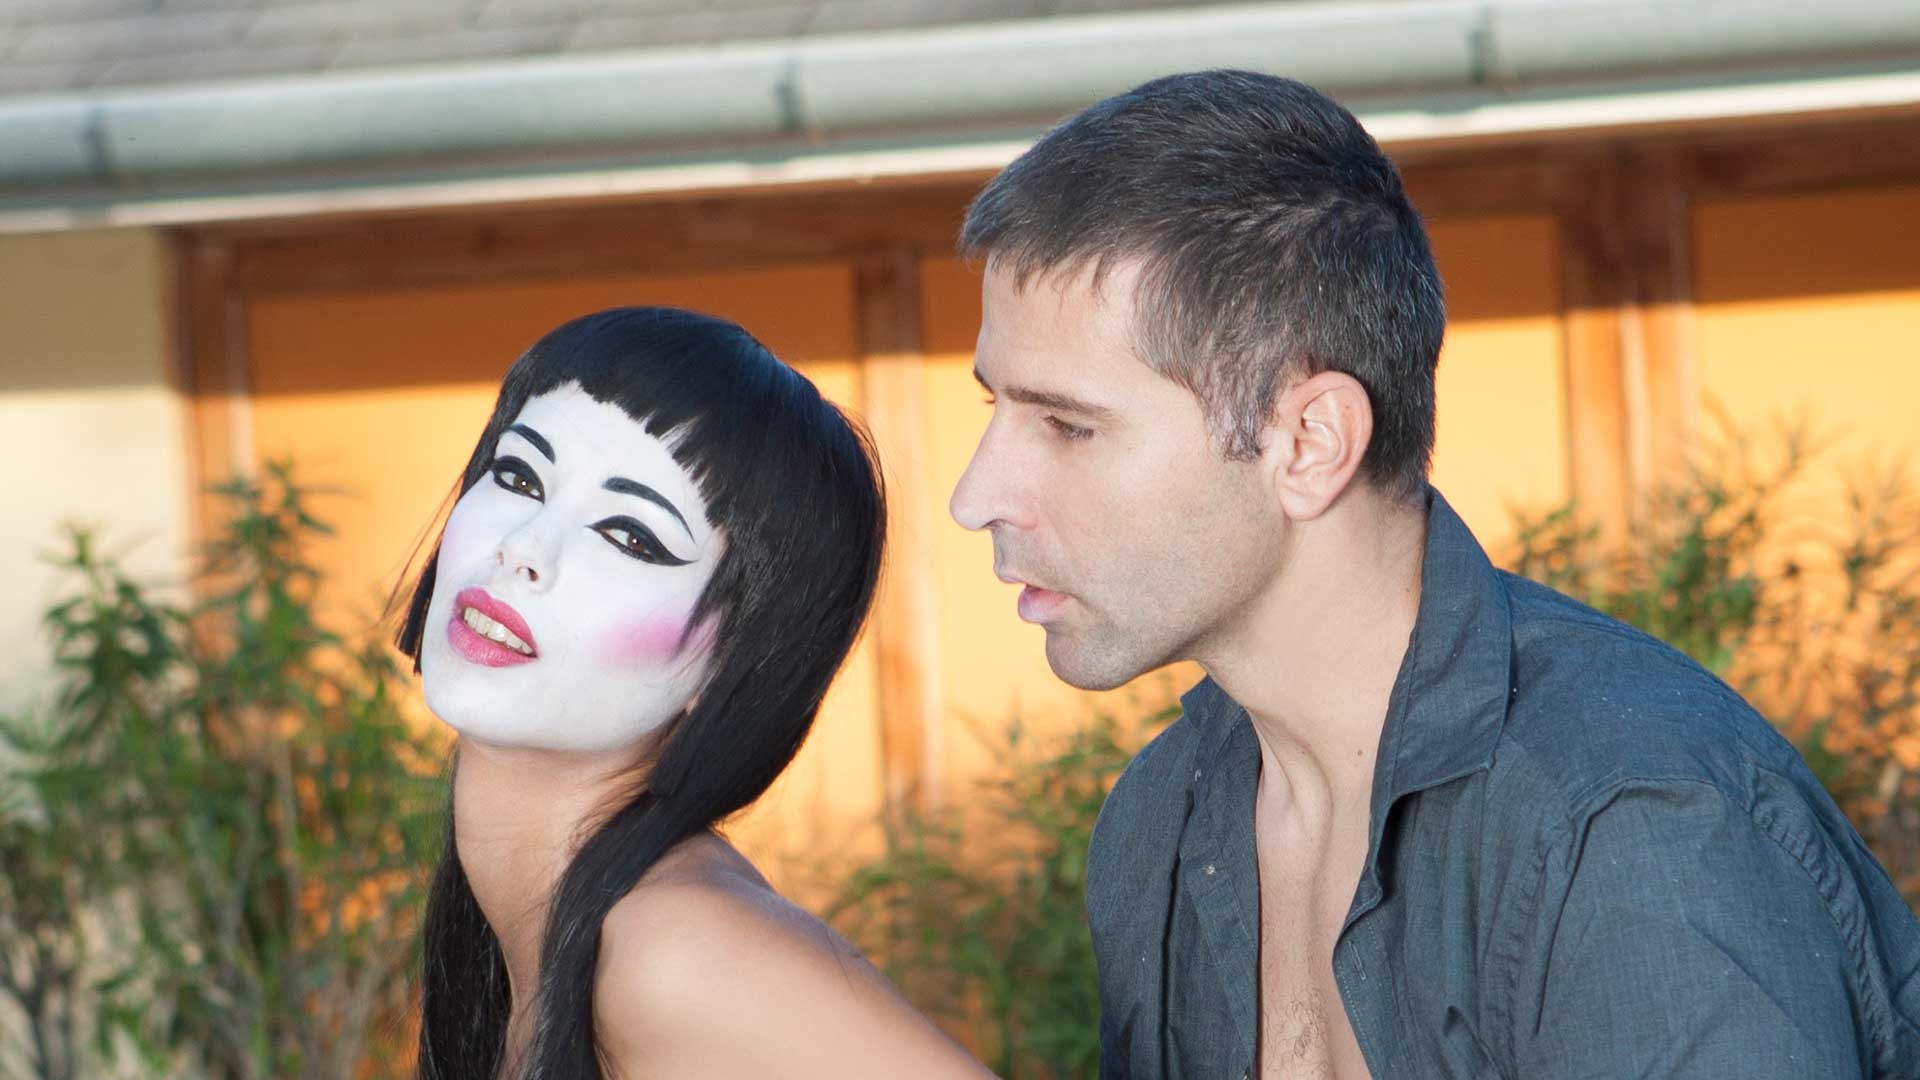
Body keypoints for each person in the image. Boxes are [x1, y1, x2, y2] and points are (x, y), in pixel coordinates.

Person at [949, 70, 1920, 1078]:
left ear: (1311, 443)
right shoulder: (1160, 823)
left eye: (1066, 425)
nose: (976, 495)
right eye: (995, 410)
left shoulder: (1628, 828)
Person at [397, 307, 993, 1079]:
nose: (524, 548)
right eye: (518, 477)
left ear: (738, 661)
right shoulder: (548, 942)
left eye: (630, 535)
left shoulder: (676, 949)